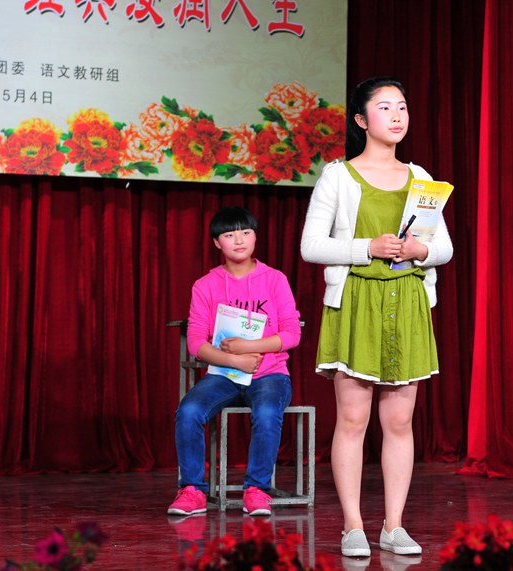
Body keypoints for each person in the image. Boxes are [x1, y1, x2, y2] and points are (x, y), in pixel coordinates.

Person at [300, 76, 452, 557]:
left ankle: (394, 526)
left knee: (400, 422)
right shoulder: (338, 176)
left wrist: (420, 250)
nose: (397, 115)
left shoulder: (421, 176)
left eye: (402, 106)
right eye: (385, 107)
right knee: (352, 418)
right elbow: (311, 246)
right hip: (357, 302)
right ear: (361, 120)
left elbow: (443, 248)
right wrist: (368, 247)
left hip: (406, 303)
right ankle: (352, 526)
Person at [169, 206, 301, 517]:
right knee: (188, 411)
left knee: (267, 413)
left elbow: (292, 334)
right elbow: (196, 343)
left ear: (255, 237)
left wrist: (249, 347)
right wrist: (234, 360)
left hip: (270, 374)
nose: (239, 240)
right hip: (223, 375)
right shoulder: (205, 285)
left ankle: (256, 490)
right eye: (229, 235)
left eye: (246, 232)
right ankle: (192, 491)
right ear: (217, 242)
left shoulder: (275, 279)